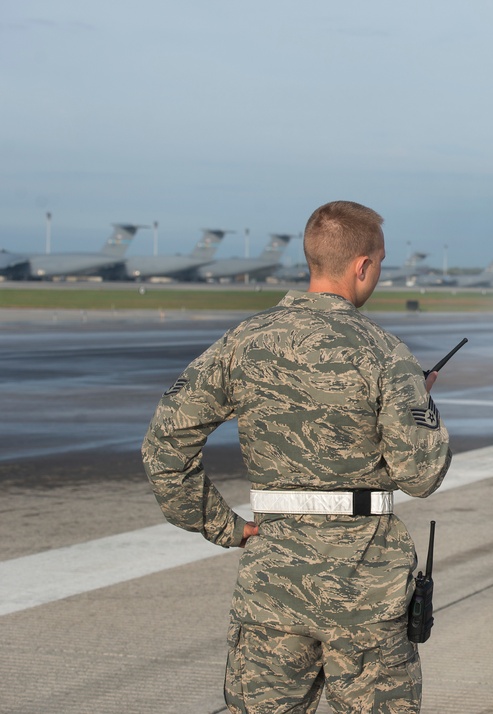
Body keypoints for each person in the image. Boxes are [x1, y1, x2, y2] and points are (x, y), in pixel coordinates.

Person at [142, 200, 451, 713]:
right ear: (363, 266)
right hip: (366, 595)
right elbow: (420, 476)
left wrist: (226, 527)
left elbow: (164, 445)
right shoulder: (386, 353)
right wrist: (421, 402)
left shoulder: (243, 343)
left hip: (273, 587)